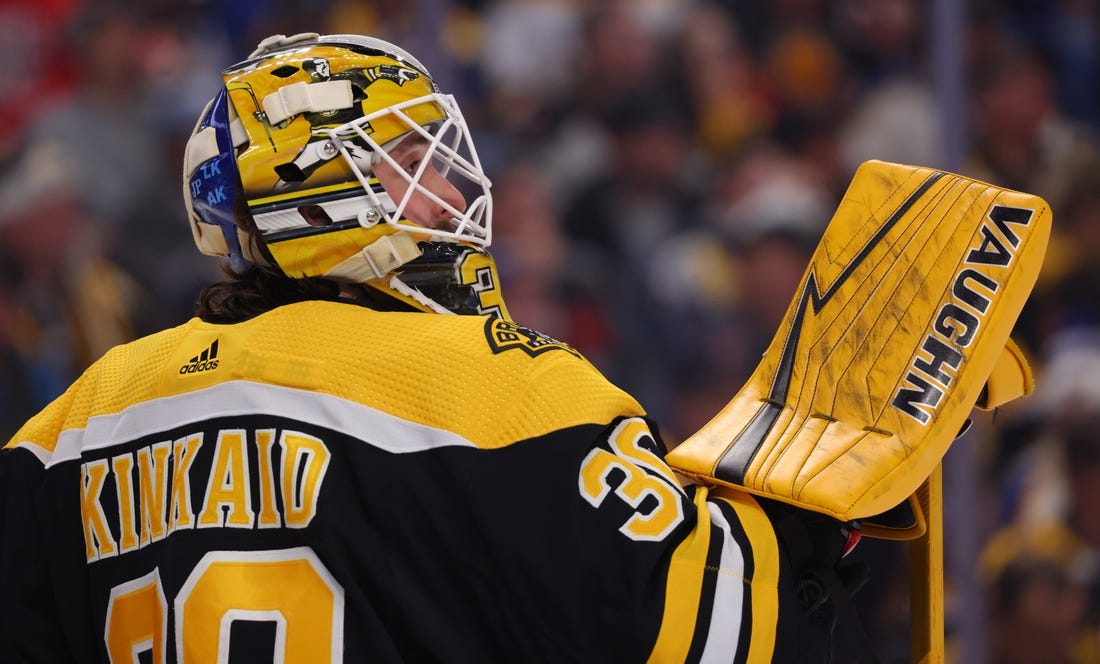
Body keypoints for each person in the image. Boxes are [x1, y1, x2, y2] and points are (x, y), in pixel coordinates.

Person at [0, 32, 877, 662]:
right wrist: (822, 501)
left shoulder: (70, 423)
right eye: (413, 158)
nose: (451, 187)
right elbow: (717, 630)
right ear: (324, 194)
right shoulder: (500, 389)